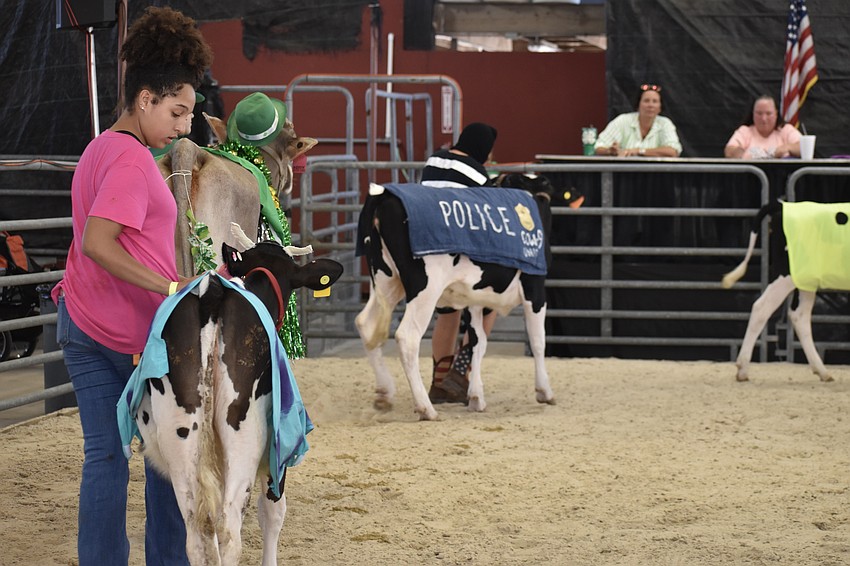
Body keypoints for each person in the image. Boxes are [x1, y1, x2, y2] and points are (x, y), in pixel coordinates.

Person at [49, 7, 212, 565]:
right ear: (145, 99)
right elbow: (99, 241)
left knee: (104, 458)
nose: (184, 127)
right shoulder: (131, 160)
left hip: (82, 323)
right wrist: (170, 286)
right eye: (177, 111)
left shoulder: (99, 147)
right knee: (166, 459)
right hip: (131, 340)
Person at [420, 122, 499, 403]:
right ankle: (461, 371)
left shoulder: (433, 160)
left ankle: (439, 383)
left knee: (447, 312)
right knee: (490, 304)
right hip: (461, 254)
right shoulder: (477, 172)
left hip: (429, 252)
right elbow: (486, 215)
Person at [594, 84, 682, 157]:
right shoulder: (623, 120)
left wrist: (639, 151)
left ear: (660, 107)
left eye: (655, 101)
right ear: (638, 105)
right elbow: (598, 147)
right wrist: (610, 151)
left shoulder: (665, 123)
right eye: (646, 101)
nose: (650, 105)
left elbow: (673, 151)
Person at [724, 95, 801, 159]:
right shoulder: (744, 131)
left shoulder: (786, 130)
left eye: (768, 113)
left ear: (776, 114)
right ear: (753, 114)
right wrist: (744, 154)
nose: (764, 118)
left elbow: (803, 147)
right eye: (759, 113)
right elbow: (729, 151)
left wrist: (787, 148)